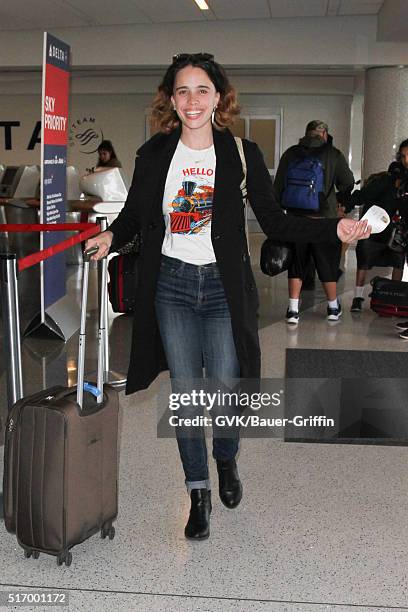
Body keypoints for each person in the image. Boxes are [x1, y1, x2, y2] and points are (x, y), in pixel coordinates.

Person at [85, 53, 370, 541]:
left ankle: (226, 459)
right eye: (182, 92)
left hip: (221, 287)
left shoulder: (241, 153)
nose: (192, 101)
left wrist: (333, 228)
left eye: (201, 91)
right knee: (187, 396)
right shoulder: (155, 154)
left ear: (219, 97)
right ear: (171, 100)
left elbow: (275, 218)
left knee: (224, 389)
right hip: (171, 284)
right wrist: (111, 236)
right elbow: (134, 216)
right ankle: (198, 492)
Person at [273, 120, 355, 324]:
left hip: (295, 219)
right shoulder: (333, 154)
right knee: (327, 262)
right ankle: (333, 308)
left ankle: (292, 310)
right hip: (324, 220)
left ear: (306, 133)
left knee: (297, 263)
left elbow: (278, 187)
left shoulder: (291, 153)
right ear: (324, 134)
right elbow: (348, 182)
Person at [339, 138, 408, 312]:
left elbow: (362, 196)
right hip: (387, 232)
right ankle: (392, 297)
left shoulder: (383, 181)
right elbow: (362, 196)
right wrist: (346, 206)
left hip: (381, 231)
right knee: (395, 262)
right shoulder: (386, 182)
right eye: (403, 157)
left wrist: (346, 206)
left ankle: (364, 297)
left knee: (366, 262)